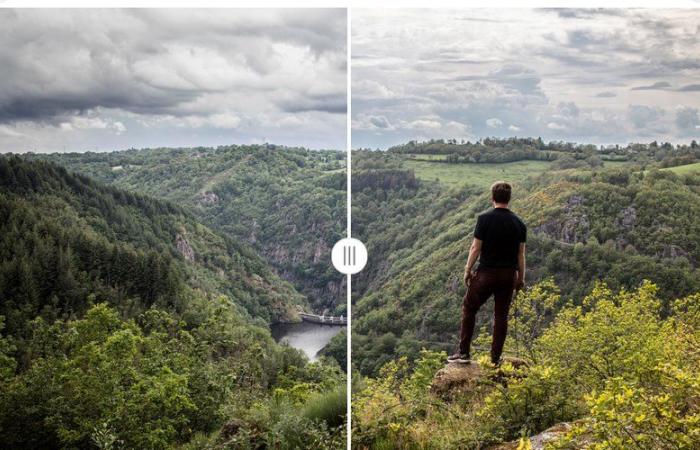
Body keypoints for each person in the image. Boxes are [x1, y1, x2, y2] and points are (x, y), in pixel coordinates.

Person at [447, 181, 527, 366]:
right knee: (501, 316)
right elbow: (521, 254)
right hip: (508, 275)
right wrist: (520, 279)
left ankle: (464, 353)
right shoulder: (519, 224)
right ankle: (495, 359)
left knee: (469, 307)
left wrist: (467, 270)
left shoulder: (484, 219)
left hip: (486, 273)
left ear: (492, 198)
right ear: (509, 198)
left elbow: (475, 248)